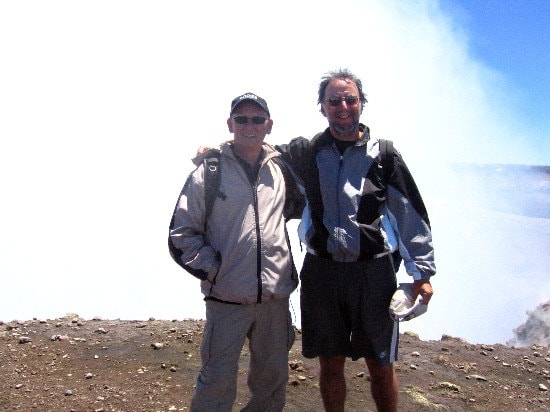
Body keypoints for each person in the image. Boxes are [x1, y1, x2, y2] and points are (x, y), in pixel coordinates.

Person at [276, 69, 436, 412]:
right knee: (330, 362)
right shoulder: (308, 152)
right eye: (334, 100)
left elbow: (409, 212)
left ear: (362, 104)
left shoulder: (384, 155)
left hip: (373, 274)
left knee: (380, 363)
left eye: (350, 99)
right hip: (323, 272)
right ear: (322, 107)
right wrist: (219, 149)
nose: (343, 106)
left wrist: (422, 273)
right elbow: (258, 149)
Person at [168, 92, 302, 411]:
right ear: (230, 124)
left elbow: (303, 207)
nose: (249, 126)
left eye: (257, 119)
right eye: (242, 119)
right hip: (226, 298)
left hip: (274, 299)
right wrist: (216, 270)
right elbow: (181, 233)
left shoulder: (281, 168)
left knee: (271, 380)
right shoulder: (209, 170)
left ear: (269, 125)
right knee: (216, 379)